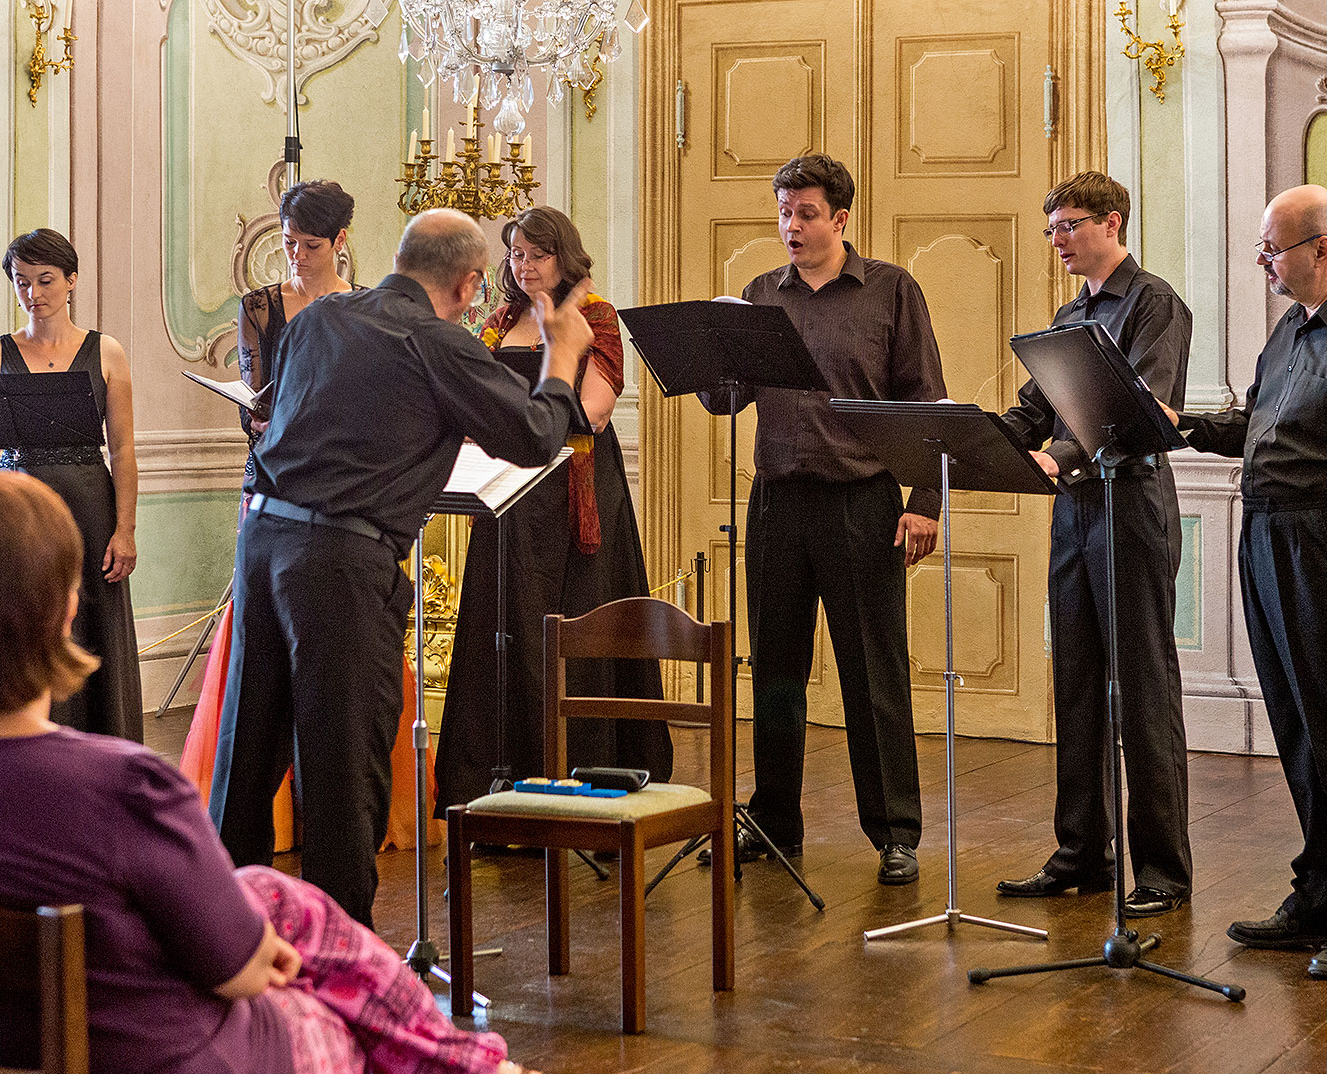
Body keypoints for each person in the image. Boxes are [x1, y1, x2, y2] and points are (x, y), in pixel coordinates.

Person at [0, 471, 564, 1074]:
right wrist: (268, 963)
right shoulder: (124, 786)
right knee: (334, 1017)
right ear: (66, 612)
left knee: (264, 891)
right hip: (162, 1063)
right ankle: (474, 1066)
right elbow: (239, 971)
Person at [209, 208, 589, 927]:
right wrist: (562, 358)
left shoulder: (320, 319)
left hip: (261, 539)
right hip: (341, 562)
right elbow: (537, 435)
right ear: (471, 282)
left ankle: (227, 938)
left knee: (247, 752)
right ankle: (339, 953)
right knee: (342, 761)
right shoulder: (436, 342)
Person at [1163, 185, 1327, 978]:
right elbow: (1258, 429)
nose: (1263, 263)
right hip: (1269, 540)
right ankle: (1319, 894)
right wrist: (1177, 422)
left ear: (1323, 247)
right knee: (1299, 730)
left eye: (1271, 249)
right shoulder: (1290, 330)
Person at [702, 154, 944, 886]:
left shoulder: (891, 292)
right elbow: (726, 400)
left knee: (874, 670)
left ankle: (895, 831)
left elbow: (926, 401)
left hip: (860, 503)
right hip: (777, 501)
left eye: (806, 213)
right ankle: (775, 820)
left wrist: (925, 503)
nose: (792, 226)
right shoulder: (758, 295)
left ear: (840, 218)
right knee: (775, 669)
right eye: (783, 212)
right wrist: (709, 353)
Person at [994, 172, 1194, 918]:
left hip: (1130, 506)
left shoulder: (1154, 304)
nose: (1057, 241)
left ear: (1112, 222)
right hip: (1076, 513)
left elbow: (1143, 412)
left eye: (1068, 226)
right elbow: (1035, 407)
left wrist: (1060, 456)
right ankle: (1081, 852)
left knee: (1141, 689)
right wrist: (971, 444)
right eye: (1051, 229)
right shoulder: (1070, 311)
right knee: (1075, 683)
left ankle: (1165, 872)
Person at [435, 206, 671, 812]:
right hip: (506, 493)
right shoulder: (501, 319)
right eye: (515, 255)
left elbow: (592, 409)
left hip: (574, 494)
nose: (524, 266)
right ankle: (496, 784)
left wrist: (518, 420)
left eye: (537, 255)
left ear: (564, 257)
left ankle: (587, 782)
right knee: (503, 627)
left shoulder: (597, 317)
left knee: (575, 630)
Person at [0, 228, 142, 742]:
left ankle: (101, 750)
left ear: (71, 280)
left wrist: (125, 529)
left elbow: (123, 449)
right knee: (25, 617)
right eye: (22, 282)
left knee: (93, 628)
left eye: (45, 280)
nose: (34, 293)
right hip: (19, 508)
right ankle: (24, 739)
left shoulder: (109, 353)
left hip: (90, 507)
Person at [180, 180, 358, 819]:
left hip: (338, 483)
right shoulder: (260, 306)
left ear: (340, 242)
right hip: (273, 476)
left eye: (310, 245)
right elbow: (255, 395)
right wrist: (260, 416)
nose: (296, 256)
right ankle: (257, 805)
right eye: (288, 242)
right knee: (262, 636)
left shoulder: (361, 308)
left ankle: (331, 800)